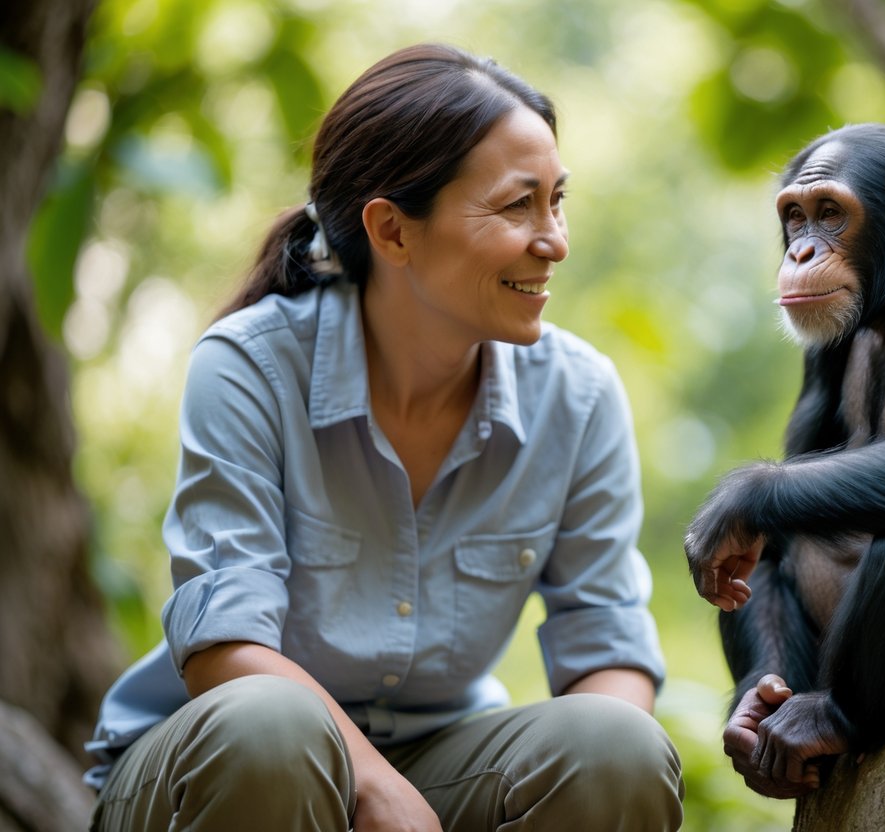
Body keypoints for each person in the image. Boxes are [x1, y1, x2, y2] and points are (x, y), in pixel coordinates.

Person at [85, 43, 684, 832]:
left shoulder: (578, 397)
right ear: (393, 231)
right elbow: (222, 644)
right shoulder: (248, 368)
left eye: (556, 200)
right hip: (216, 771)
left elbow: (606, 646)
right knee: (271, 726)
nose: (555, 241)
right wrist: (368, 786)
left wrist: (608, 776)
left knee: (617, 744)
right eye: (517, 206)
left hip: (443, 764)